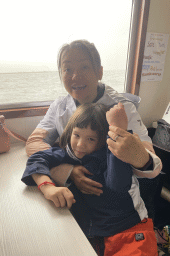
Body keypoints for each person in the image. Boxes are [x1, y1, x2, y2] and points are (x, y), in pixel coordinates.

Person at [25, 39, 162, 197]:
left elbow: (154, 166)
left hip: (115, 198)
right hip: (74, 195)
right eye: (67, 69)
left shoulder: (121, 108)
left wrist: (141, 158)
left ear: (99, 72)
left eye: (84, 67)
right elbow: (34, 143)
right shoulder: (59, 106)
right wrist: (68, 169)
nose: (75, 76)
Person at [22, 103, 158, 256]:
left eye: (91, 139)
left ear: (102, 140)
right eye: (77, 135)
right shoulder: (68, 154)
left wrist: (118, 131)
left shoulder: (113, 157)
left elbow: (117, 185)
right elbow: (36, 159)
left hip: (130, 229)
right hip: (94, 234)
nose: (80, 144)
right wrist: (47, 187)